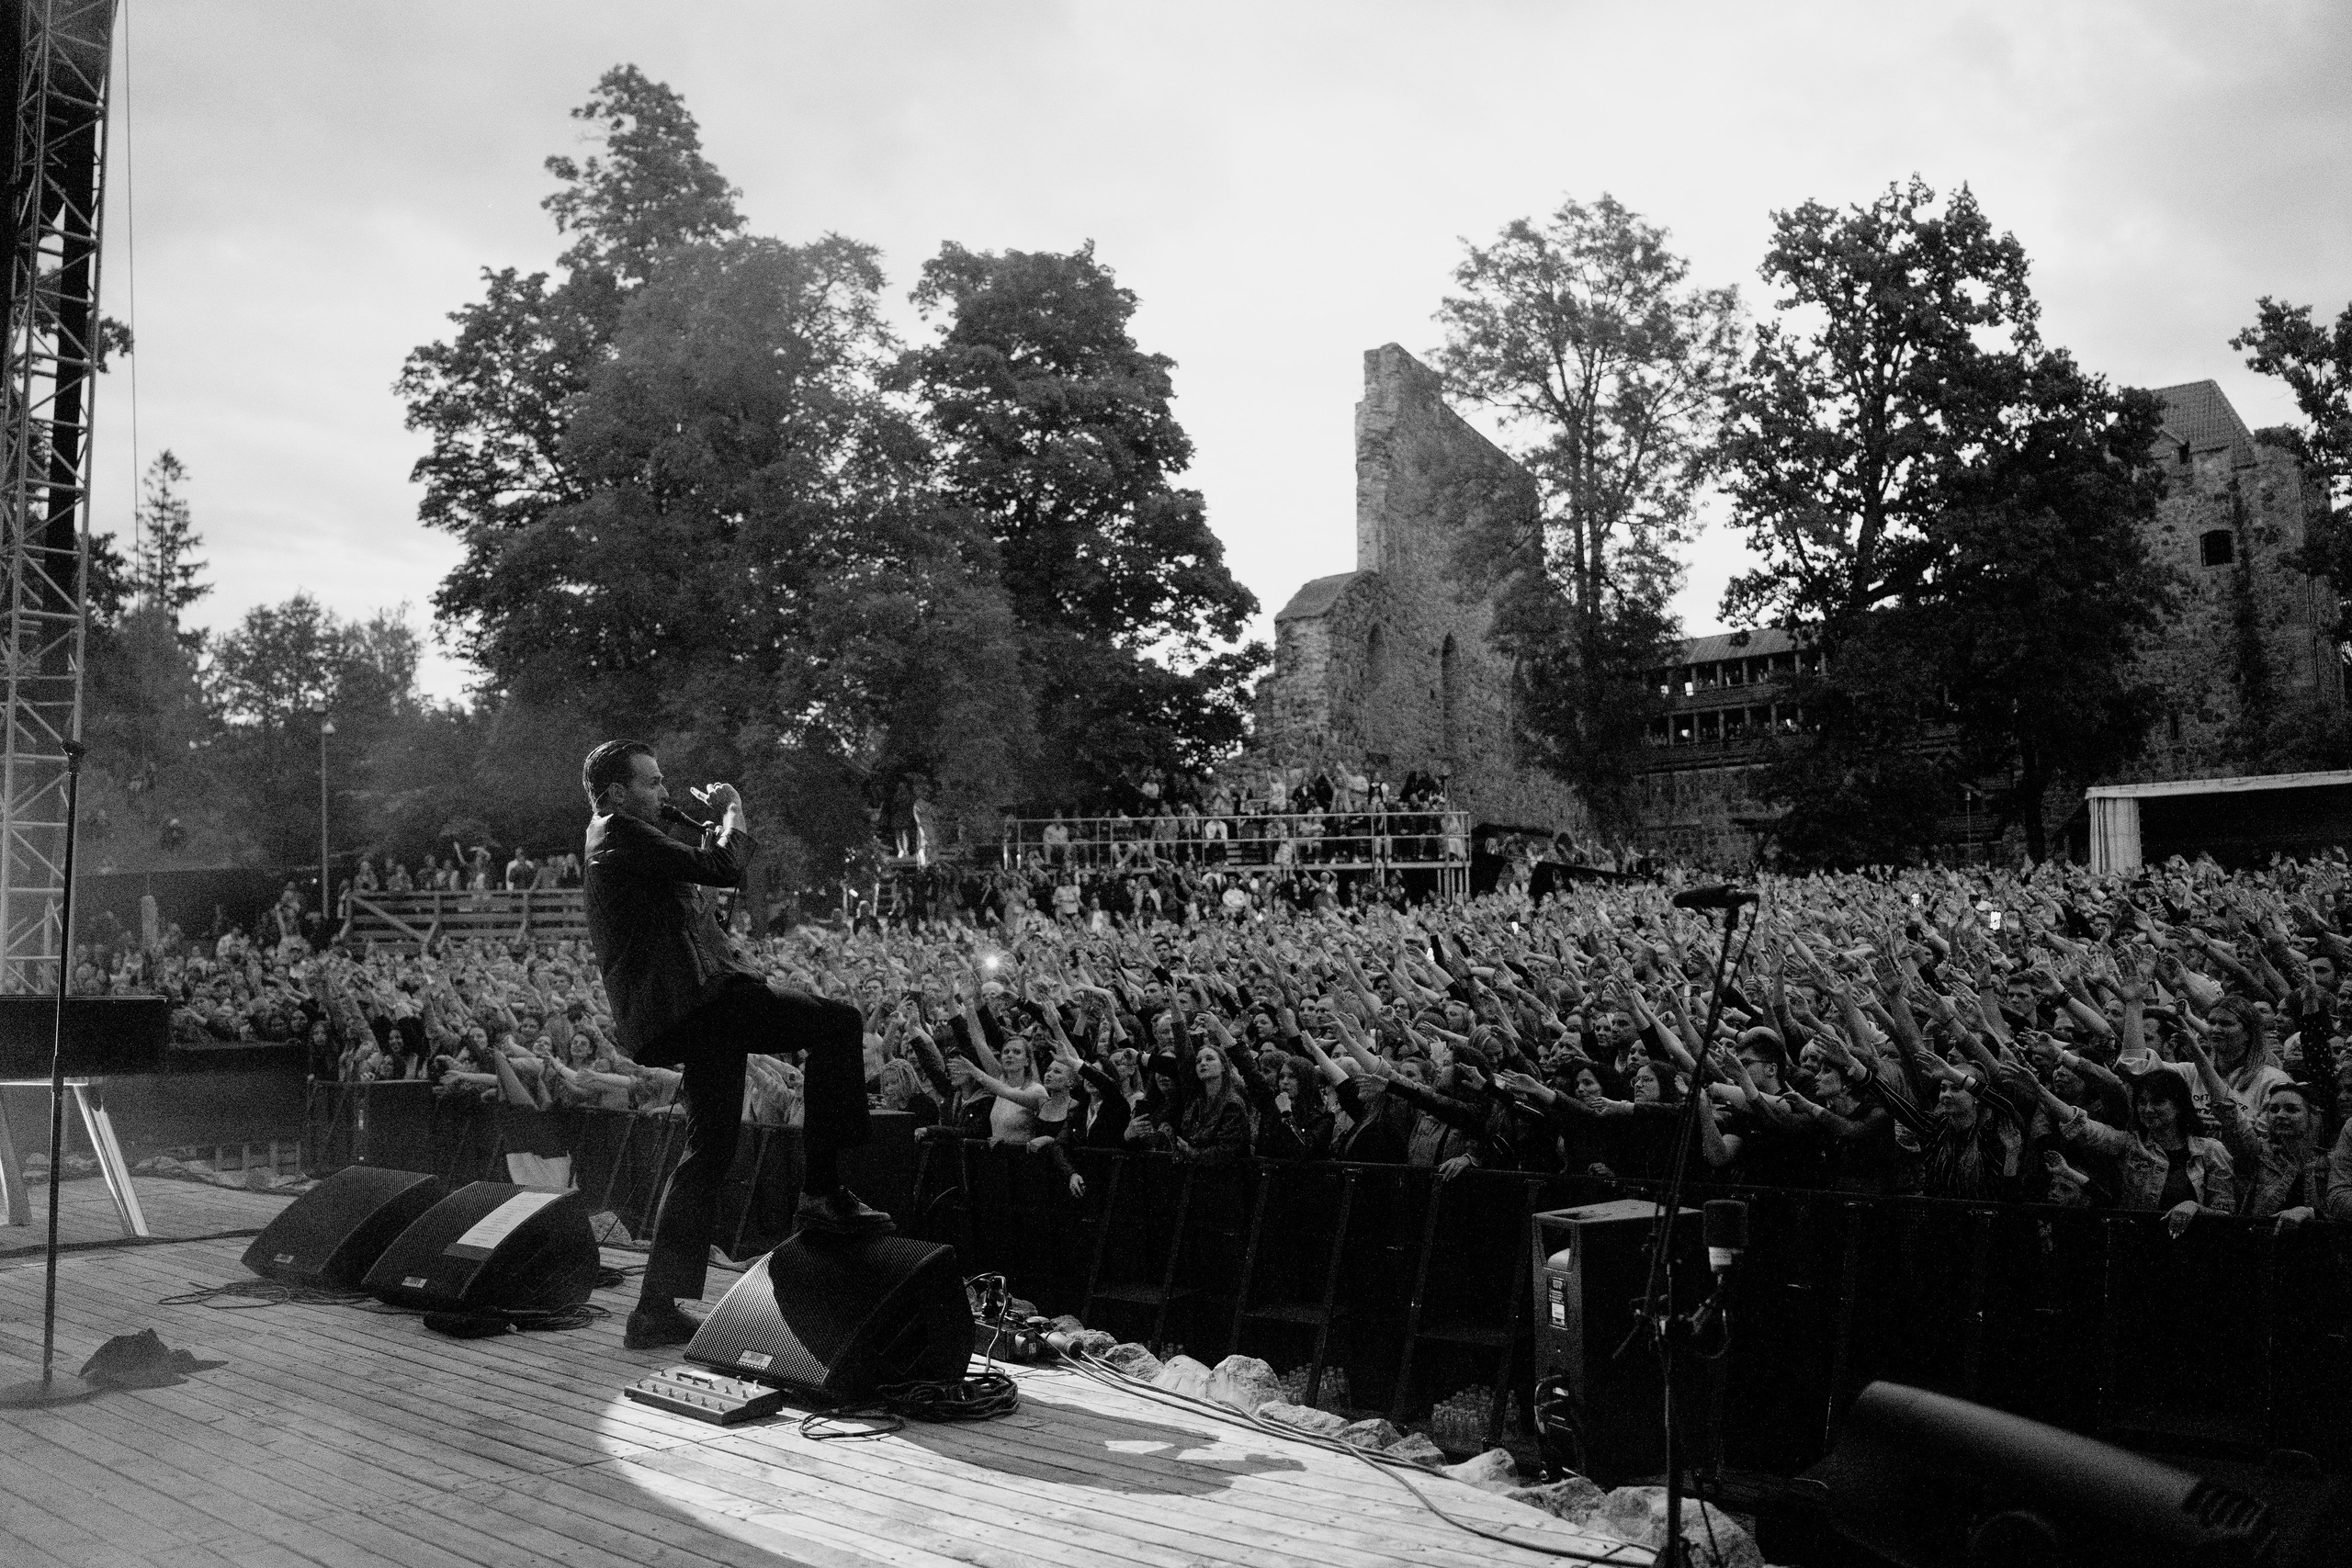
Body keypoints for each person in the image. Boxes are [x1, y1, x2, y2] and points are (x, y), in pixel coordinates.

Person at [580, 739, 890, 1353]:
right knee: (840, 1022)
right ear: (618, 792)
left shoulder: (620, 837)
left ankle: (655, 1310)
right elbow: (722, 866)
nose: (666, 792)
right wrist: (733, 810)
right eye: (654, 782)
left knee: (710, 1149)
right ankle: (823, 1192)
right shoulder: (617, 830)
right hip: (700, 1004)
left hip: (691, 1011)